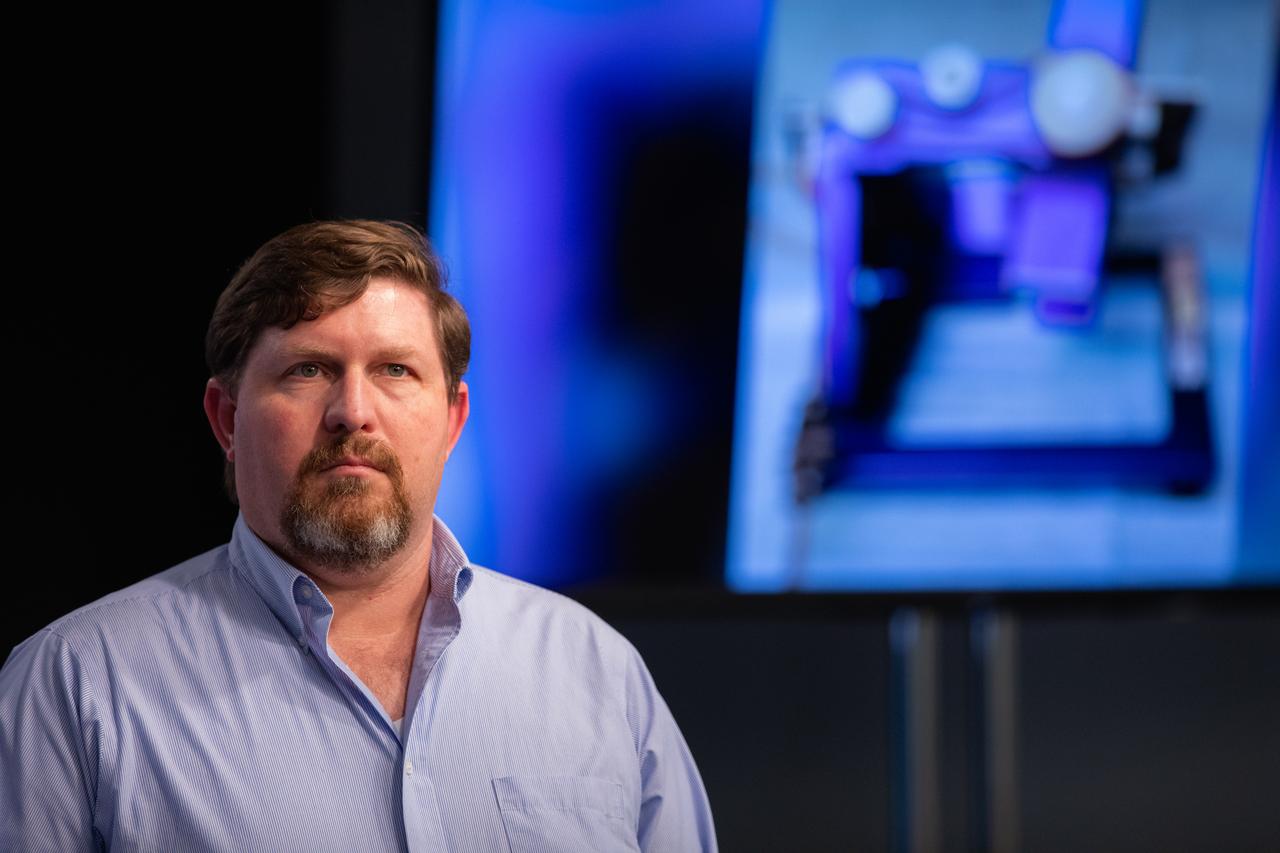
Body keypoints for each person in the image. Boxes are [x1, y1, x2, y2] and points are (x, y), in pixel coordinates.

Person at [0, 220, 716, 852]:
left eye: (395, 370)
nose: (353, 411)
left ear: (452, 420)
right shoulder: (77, 686)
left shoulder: (595, 670)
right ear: (225, 419)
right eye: (308, 369)